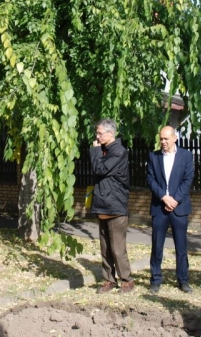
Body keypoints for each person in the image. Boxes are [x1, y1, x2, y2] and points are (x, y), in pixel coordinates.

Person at [146, 126, 195, 293]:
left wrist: (175, 199)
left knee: (181, 246)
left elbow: (188, 179)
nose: (163, 142)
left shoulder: (186, 156)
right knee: (157, 245)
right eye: (161, 139)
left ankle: (183, 280)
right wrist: (164, 197)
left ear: (175, 138)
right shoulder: (154, 156)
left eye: (166, 139)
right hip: (159, 207)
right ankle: (155, 280)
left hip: (179, 208)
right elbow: (150, 179)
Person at [90, 118, 134, 293]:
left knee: (117, 248)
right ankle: (109, 279)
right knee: (105, 247)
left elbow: (99, 169)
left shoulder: (118, 151)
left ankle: (127, 280)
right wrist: (97, 151)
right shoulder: (105, 150)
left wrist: (94, 151)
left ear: (111, 133)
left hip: (115, 206)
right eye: (97, 133)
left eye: (100, 133)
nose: (97, 136)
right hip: (103, 205)